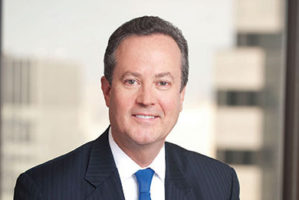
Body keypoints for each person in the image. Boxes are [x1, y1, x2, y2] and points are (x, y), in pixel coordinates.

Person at [14, 16, 240, 200]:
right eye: (132, 81)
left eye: (162, 83)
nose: (147, 99)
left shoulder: (220, 184)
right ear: (107, 91)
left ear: (181, 96)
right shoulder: (43, 189)